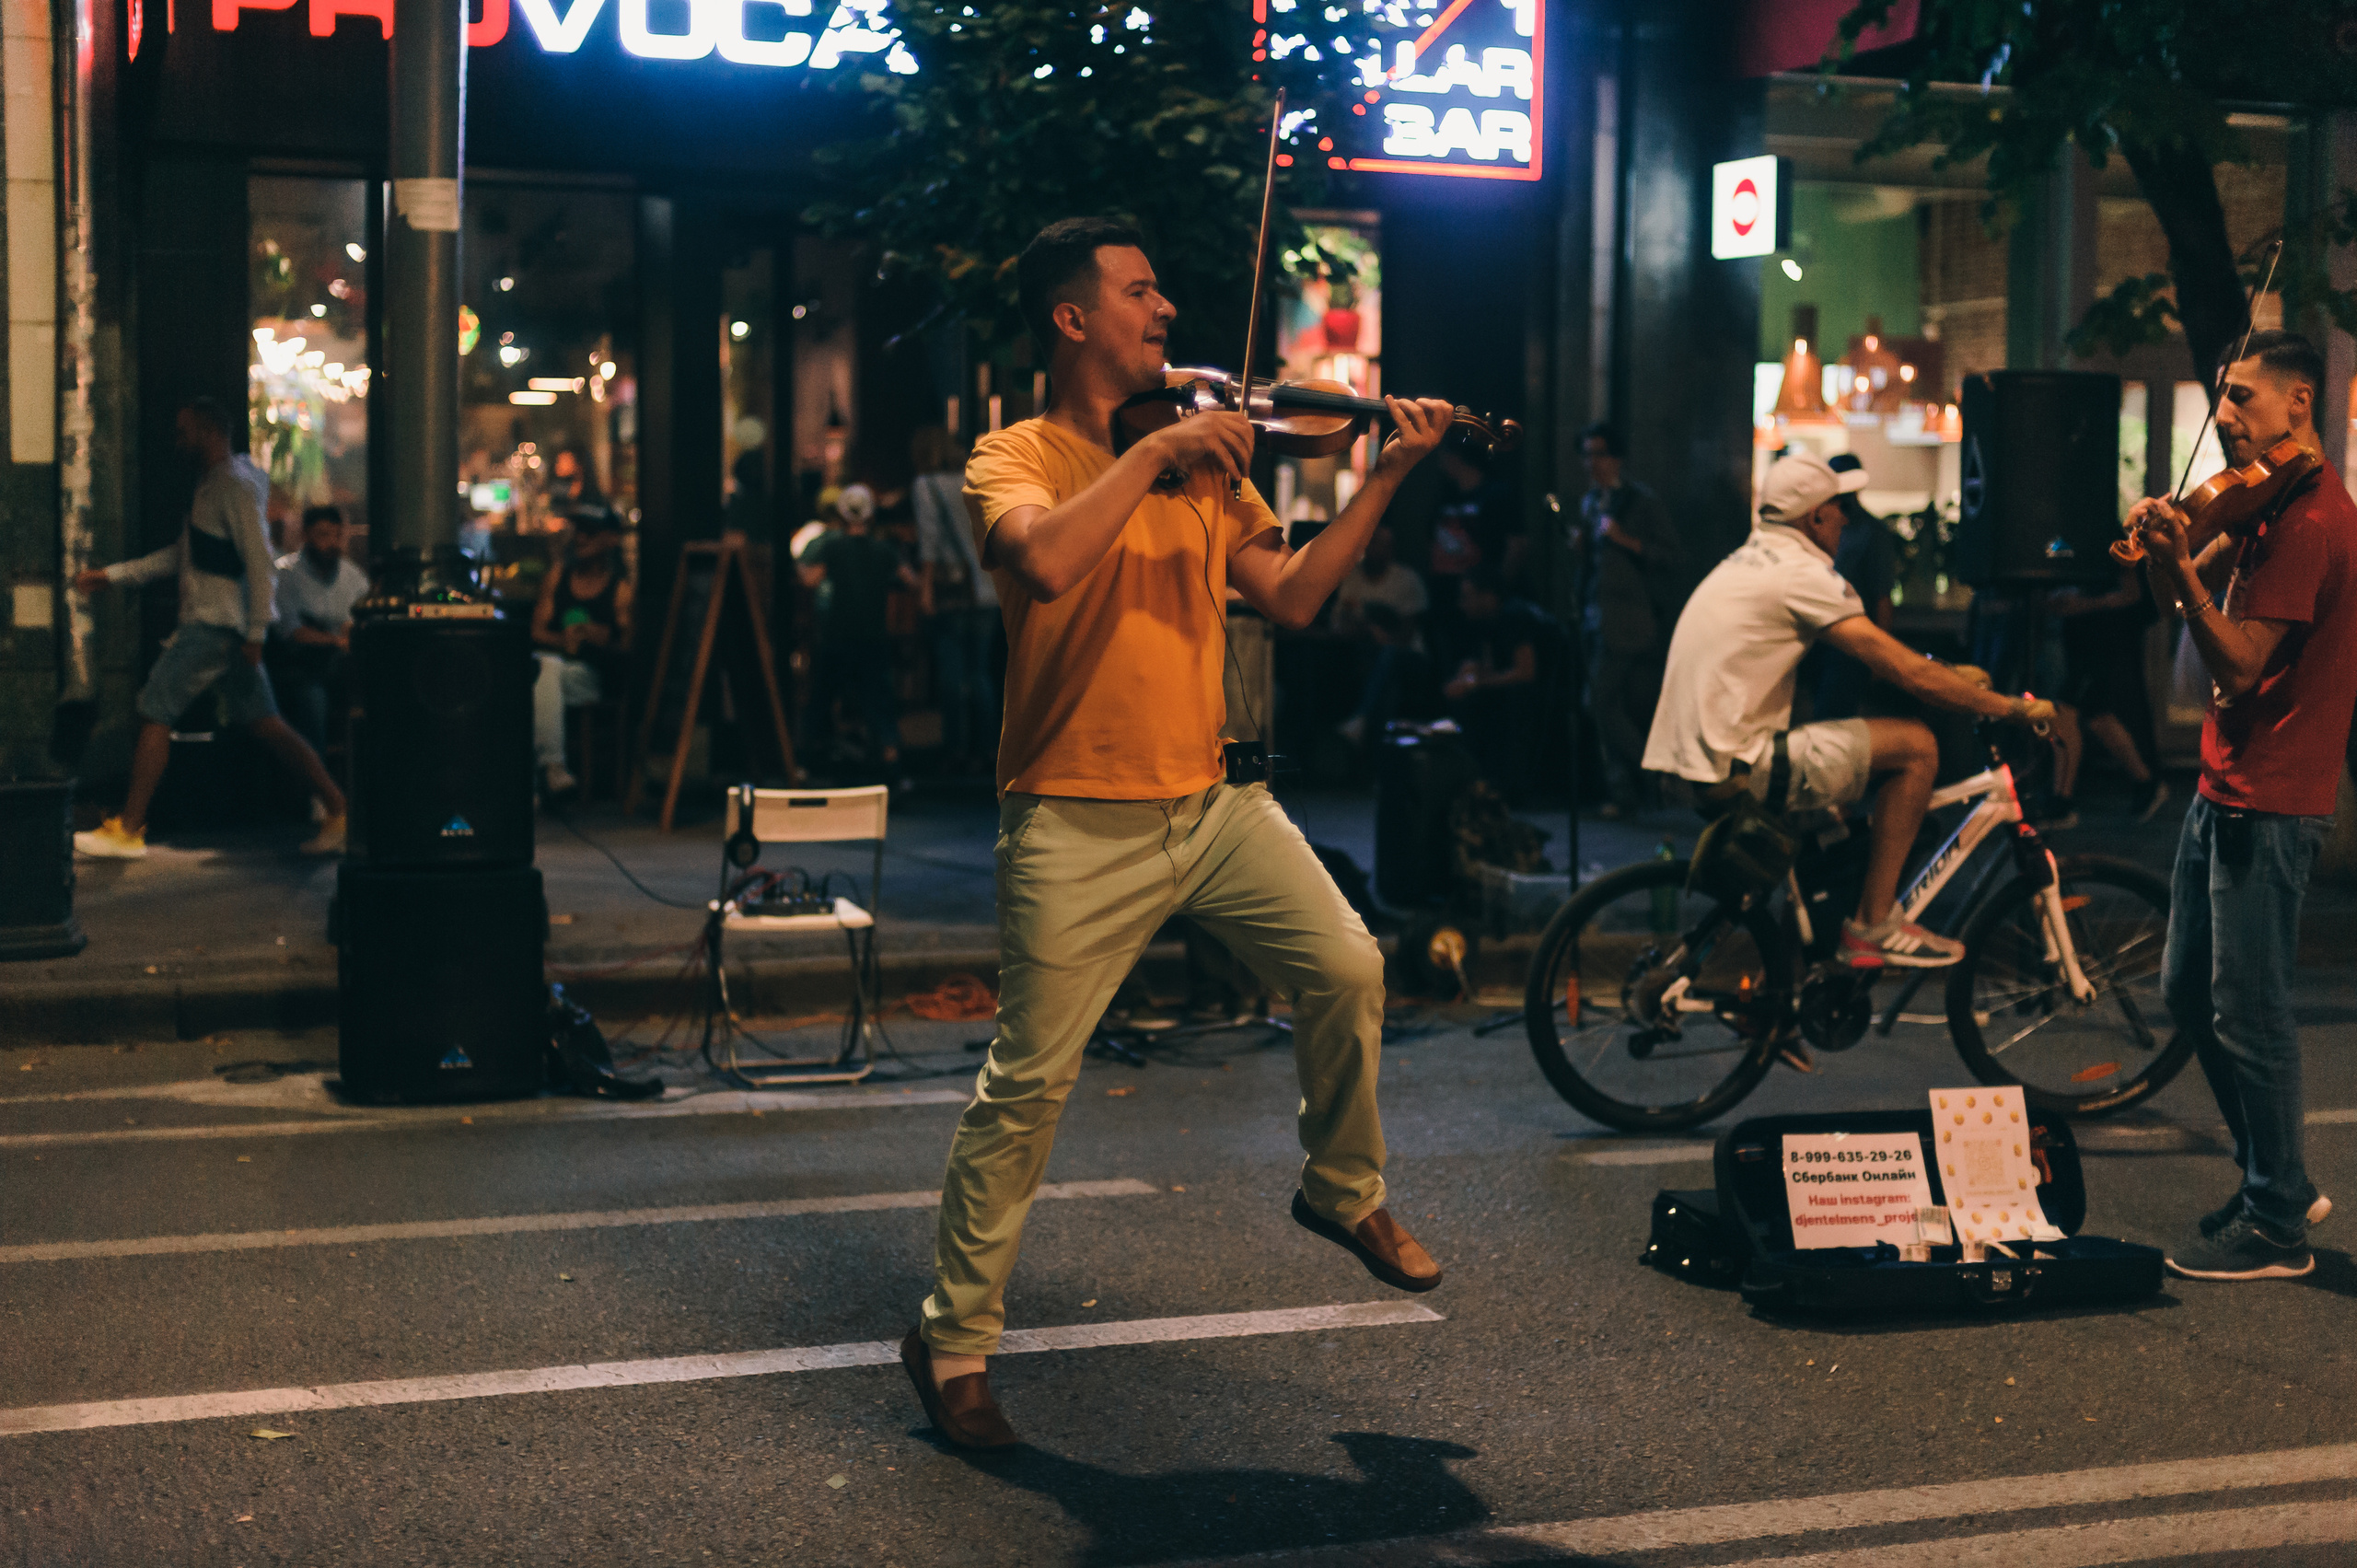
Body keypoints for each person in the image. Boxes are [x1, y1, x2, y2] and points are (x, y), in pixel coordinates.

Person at [903, 216, 1456, 1449]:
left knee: (1349, 964)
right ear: (1071, 318)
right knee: (1027, 1087)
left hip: (1212, 803)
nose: (1165, 311)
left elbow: (1294, 595)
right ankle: (952, 1342)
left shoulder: (1207, 461)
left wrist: (1383, 478)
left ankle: (1340, 1189)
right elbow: (1046, 562)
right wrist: (1154, 456)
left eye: (1162, 293)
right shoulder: (1017, 454)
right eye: (1139, 291)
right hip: (1071, 815)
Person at [2122, 330, 2357, 1283]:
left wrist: (2182, 571)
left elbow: (2242, 661)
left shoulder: (2309, 522)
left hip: (2272, 795)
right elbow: (2171, 593)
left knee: (2251, 1010)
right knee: (2188, 989)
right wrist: (2166, 547)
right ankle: (2279, 1179)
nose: (2223, 415)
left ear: (2300, 401)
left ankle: (2275, 1223)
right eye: (2221, 396)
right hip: (2224, 781)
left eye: (2244, 397)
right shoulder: (2264, 499)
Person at [1643, 450, 2050, 970]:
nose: (1847, 520)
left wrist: (1946, 673)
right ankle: (1873, 925)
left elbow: (1884, 657)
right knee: (1917, 746)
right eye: (1842, 509)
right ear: (1816, 516)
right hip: (1741, 762)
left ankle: (1789, 988)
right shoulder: (1802, 574)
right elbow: (1902, 671)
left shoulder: (1749, 559)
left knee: (1832, 839)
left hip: (1699, 758)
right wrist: (2008, 708)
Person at [72, 398, 348, 858]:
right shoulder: (218, 485)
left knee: (155, 711)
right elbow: (185, 556)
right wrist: (113, 576)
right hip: (225, 629)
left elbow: (259, 561)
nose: (178, 441)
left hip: (213, 627)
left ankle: (129, 828)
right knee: (267, 724)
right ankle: (338, 808)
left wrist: (257, 632)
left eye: (185, 431)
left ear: (207, 431)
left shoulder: (231, 486)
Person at [1574, 422, 1685, 815]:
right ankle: (1626, 791)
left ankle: (1655, 775)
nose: (1593, 463)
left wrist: (1625, 540)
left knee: (1598, 701)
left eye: (1599, 454)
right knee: (1610, 706)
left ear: (1617, 458)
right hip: (1596, 615)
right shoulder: (1590, 502)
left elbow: (1672, 556)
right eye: (1587, 455)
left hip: (1630, 620)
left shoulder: (1641, 502)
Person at [797, 481, 921, 783]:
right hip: (874, 635)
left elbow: (810, 579)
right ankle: (892, 767)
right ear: (871, 515)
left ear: (841, 514)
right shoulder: (884, 550)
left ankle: (803, 764)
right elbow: (911, 581)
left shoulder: (832, 546)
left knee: (822, 697)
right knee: (879, 701)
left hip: (837, 634)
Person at [911, 427, 1002, 774]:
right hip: (988, 586)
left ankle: (956, 749)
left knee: (951, 670)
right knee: (981, 672)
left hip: (953, 590)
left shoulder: (927, 485)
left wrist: (925, 588)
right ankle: (988, 748)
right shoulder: (977, 481)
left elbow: (930, 539)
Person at [2049, 563, 2168, 822]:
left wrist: (2081, 605)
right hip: (2083, 640)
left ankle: (2061, 803)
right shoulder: (2074, 547)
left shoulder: (2110, 546)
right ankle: (2146, 781)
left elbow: (2132, 595)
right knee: (2098, 716)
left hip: (2102, 641)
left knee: (2067, 708)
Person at [528, 508, 633, 798]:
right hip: (553, 672)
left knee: (543, 673)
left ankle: (545, 771)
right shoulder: (557, 578)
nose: (581, 538)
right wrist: (563, 639)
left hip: (591, 678)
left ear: (611, 539)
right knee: (545, 670)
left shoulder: (620, 591)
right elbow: (536, 631)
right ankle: (553, 769)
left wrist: (599, 637)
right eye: (579, 531)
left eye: (590, 532)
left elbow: (628, 649)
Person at [268, 504, 369, 758]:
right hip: (300, 668)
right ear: (306, 535)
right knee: (312, 701)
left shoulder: (352, 576)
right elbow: (292, 632)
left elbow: (359, 619)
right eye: (324, 535)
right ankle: (317, 773)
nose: (333, 543)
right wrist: (336, 640)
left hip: (343, 667)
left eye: (337, 536)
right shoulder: (285, 575)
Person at [1805, 453, 1898, 722]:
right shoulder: (1820, 528)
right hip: (1821, 640)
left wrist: (1881, 657)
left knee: (1833, 717)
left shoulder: (1872, 532)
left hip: (1850, 645)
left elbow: (1882, 597)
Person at [1445, 566, 1547, 798]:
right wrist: (1470, 674)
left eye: (1467, 597)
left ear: (1489, 597)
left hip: (1541, 693)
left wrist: (1476, 683)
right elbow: (1490, 665)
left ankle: (1502, 785)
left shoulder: (1513, 616)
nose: (1462, 604)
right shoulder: (1489, 623)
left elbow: (1526, 673)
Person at [1331, 524, 1428, 747]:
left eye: (1386, 545)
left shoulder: (1407, 580)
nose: (1379, 550)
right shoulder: (1352, 578)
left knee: (1389, 658)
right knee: (1384, 685)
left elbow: (1407, 635)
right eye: (1375, 543)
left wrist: (1381, 635)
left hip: (1408, 656)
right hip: (1362, 653)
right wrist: (1367, 629)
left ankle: (1362, 720)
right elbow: (1340, 622)